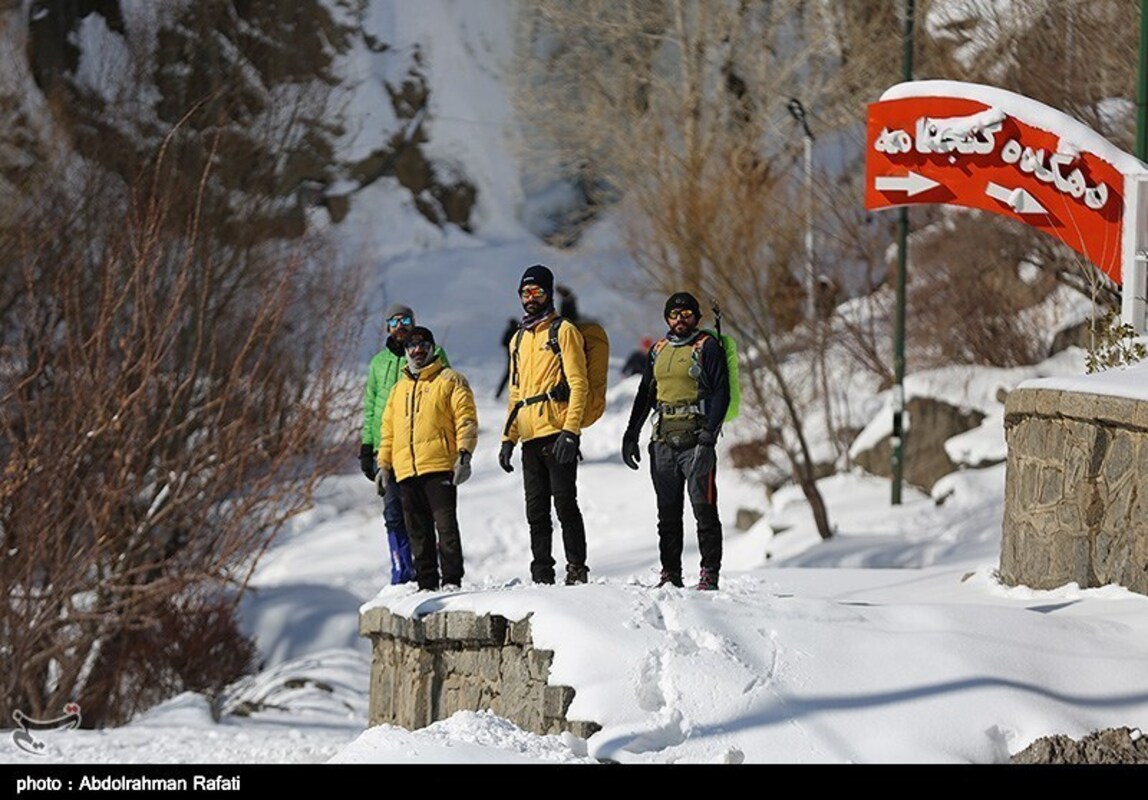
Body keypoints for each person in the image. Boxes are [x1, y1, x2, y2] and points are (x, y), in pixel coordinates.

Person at [620, 292, 730, 591]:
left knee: (704, 510)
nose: (679, 320)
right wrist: (631, 434)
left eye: (686, 314)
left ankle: (709, 573)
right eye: (673, 315)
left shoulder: (707, 347)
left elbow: (722, 393)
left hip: (696, 440)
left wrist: (708, 439)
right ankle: (671, 573)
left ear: (696, 317)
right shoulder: (657, 350)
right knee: (667, 515)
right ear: (666, 318)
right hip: (663, 442)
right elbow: (645, 394)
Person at [499, 264, 590, 586]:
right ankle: (541, 574)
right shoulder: (518, 340)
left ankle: (577, 568)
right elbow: (516, 391)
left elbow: (579, 384)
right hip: (529, 435)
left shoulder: (563, 331)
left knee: (565, 502)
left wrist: (571, 431)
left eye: (537, 292)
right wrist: (508, 439)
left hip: (557, 431)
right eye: (525, 293)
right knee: (536, 510)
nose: (530, 298)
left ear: (548, 293)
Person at [377, 327, 477, 591]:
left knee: (446, 528)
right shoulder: (399, 390)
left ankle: (452, 580)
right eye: (412, 347)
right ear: (407, 352)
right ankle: (426, 583)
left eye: (423, 346)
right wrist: (383, 466)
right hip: (406, 471)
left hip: (439, 466)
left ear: (433, 349)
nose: (418, 351)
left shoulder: (450, 380)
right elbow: (388, 432)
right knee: (417, 533)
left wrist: (464, 454)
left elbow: (466, 419)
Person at [359, 303, 449, 584]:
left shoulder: (431, 354)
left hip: (420, 445)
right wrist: (367, 445)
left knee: (422, 510)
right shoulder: (377, 363)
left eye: (406, 319)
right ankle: (401, 569)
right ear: (387, 326)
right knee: (393, 511)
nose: (400, 325)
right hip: (386, 447)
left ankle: (429, 567)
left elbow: (446, 395)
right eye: (394, 321)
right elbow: (371, 405)